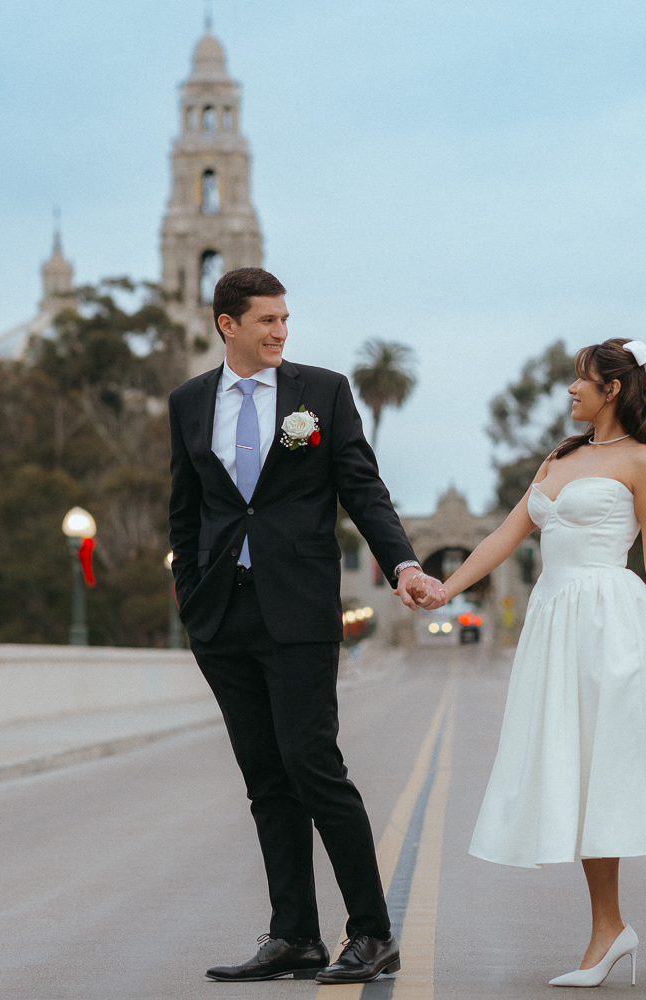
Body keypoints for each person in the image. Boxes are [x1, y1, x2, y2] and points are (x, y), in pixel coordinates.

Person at [417, 338, 646, 989]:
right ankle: (608, 930)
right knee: (584, 771)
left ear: (613, 389)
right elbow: (507, 533)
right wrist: (445, 589)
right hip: (555, 625)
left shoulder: (645, 462)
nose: (570, 391)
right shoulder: (558, 458)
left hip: (617, 624)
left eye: (581, 381)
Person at [167, 267, 436, 984]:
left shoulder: (322, 393)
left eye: (286, 319)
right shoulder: (190, 401)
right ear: (228, 325)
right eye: (267, 321)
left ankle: (372, 934)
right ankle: (295, 938)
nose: (282, 331)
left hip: (300, 613)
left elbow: (362, 488)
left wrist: (403, 565)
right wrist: (190, 598)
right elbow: (186, 509)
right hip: (223, 618)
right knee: (266, 781)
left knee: (314, 766)